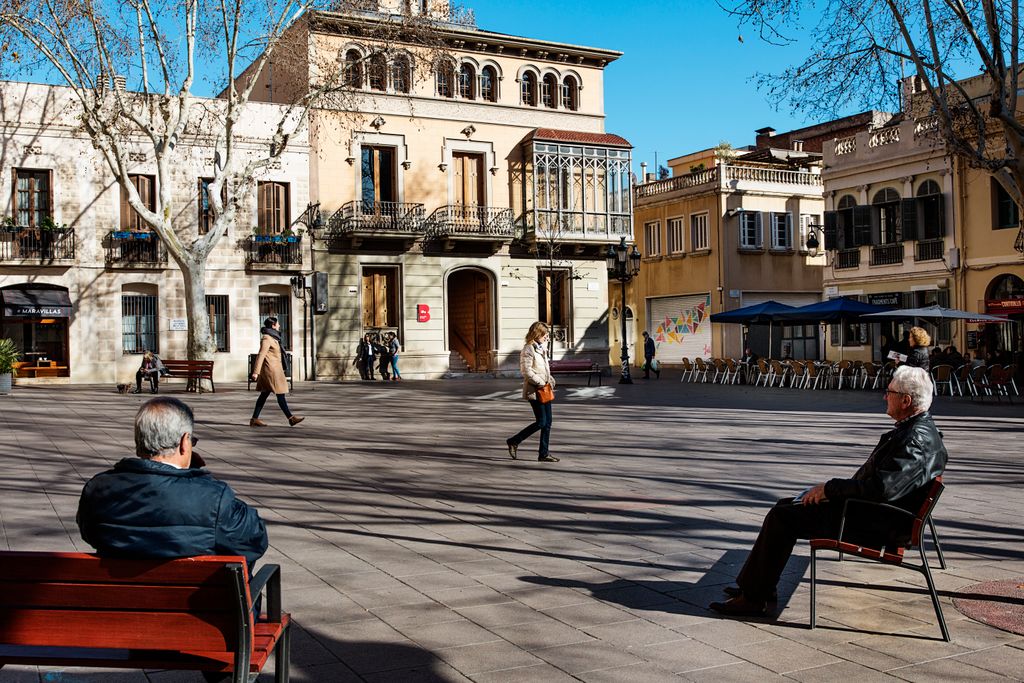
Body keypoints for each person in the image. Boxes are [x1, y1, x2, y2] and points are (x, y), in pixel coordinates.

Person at [709, 366, 947, 617]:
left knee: (783, 517)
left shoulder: (914, 441)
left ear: (906, 400)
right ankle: (758, 588)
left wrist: (830, 490)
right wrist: (832, 491)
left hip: (875, 523)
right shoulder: (918, 431)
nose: (884, 396)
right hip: (875, 514)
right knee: (785, 506)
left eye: (889, 392)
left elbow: (881, 489)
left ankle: (754, 598)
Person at [77, 397, 268, 571]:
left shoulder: (97, 490)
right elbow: (254, 540)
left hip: (116, 603)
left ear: (138, 442)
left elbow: (90, 535)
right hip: (200, 606)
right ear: (185, 442)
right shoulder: (212, 499)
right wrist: (196, 481)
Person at [506, 321, 559, 463]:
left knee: (548, 423)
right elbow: (526, 371)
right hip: (535, 390)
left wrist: (550, 379)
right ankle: (514, 440)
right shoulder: (528, 349)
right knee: (541, 422)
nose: (547, 337)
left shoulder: (541, 348)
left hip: (545, 389)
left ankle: (544, 453)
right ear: (537, 334)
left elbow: (542, 368)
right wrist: (541, 382)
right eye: (545, 335)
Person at [250, 316, 303, 427]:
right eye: (277, 323)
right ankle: (291, 418)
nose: (279, 325)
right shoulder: (267, 338)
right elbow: (261, 355)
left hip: (275, 369)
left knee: (264, 395)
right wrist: (256, 372)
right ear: (273, 325)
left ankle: (254, 419)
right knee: (280, 394)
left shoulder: (274, 338)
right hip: (271, 371)